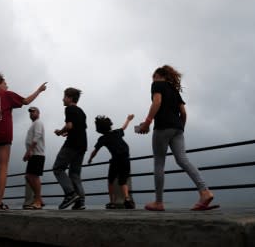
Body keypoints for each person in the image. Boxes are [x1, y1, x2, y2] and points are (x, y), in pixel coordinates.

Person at [138, 65, 217, 211]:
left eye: (153, 76)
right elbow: (184, 113)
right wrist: (180, 128)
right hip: (178, 128)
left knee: (159, 163)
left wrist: (147, 123)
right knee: (183, 160)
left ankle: (159, 202)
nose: (152, 79)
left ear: (158, 76)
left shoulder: (157, 84)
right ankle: (205, 191)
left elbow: (157, 102)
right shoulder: (174, 90)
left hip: (162, 127)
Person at [0, 73, 47, 210]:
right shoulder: (6, 95)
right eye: (5, 83)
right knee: (3, 167)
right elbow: (26, 101)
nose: (7, 86)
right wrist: (39, 90)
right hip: (3, 135)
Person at [88, 114, 136, 209]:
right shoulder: (117, 132)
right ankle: (127, 199)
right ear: (110, 125)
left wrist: (90, 159)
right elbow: (124, 127)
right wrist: (128, 119)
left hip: (116, 160)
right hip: (126, 158)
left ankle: (112, 202)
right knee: (123, 181)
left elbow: (95, 151)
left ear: (99, 129)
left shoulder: (102, 139)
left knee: (111, 181)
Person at [53, 87, 87, 210]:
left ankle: (70, 194)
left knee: (58, 168)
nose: (63, 99)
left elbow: (69, 125)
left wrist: (60, 132)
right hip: (82, 145)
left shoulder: (69, 109)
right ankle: (80, 202)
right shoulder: (81, 111)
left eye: (64, 96)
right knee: (75, 174)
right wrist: (67, 132)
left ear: (70, 98)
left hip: (72, 144)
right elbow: (79, 128)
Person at [22, 106, 45, 210]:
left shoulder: (38, 123)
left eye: (33, 112)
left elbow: (37, 137)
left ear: (38, 113)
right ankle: (39, 198)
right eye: (30, 112)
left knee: (33, 176)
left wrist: (29, 151)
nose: (31, 114)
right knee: (28, 176)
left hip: (37, 154)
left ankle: (37, 201)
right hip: (33, 154)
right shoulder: (34, 124)